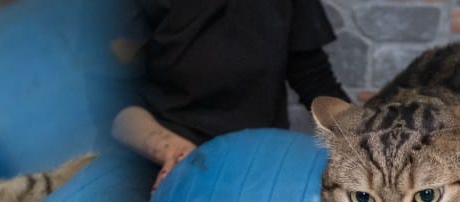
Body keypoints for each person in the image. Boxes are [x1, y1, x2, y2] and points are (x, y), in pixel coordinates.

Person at [111, 0, 351, 189]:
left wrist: (365, 138)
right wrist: (172, 151)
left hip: (259, 160)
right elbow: (109, 102)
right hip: (167, 158)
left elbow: (313, 77)